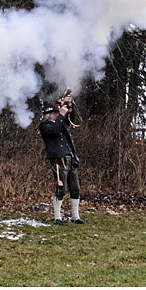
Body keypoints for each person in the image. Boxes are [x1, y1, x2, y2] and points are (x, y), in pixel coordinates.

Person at [38, 91, 85, 225]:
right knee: (61, 189)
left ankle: (75, 216)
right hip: (59, 159)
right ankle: (57, 217)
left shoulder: (60, 122)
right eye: (57, 112)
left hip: (71, 158)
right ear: (51, 114)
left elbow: (71, 119)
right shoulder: (44, 126)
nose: (59, 114)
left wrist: (70, 105)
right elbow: (54, 129)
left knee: (75, 188)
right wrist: (62, 114)